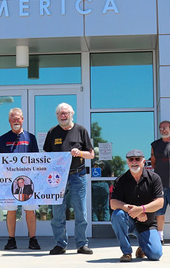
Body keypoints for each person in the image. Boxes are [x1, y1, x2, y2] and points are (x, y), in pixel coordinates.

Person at [43, 102, 95, 255]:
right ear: (57, 116)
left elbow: (91, 154)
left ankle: (81, 244)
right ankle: (60, 244)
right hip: (57, 178)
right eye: (60, 113)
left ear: (72, 114)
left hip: (77, 175)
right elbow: (46, 156)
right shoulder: (52, 132)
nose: (63, 116)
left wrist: (79, 153)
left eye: (66, 113)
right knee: (58, 212)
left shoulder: (81, 130)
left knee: (80, 212)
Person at [0, 108, 41, 250]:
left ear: (22, 120)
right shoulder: (3, 139)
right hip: (9, 182)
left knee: (30, 210)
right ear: (9, 121)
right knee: (11, 210)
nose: (16, 121)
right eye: (13, 119)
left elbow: (37, 159)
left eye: (18, 118)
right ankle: (11, 239)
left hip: (28, 181)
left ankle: (32, 239)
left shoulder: (30, 138)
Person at [110, 149, 164, 262]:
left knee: (156, 255)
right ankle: (126, 252)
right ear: (127, 162)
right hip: (129, 222)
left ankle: (143, 247)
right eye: (131, 159)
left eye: (137, 159)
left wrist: (141, 210)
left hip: (147, 224)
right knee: (117, 214)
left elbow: (160, 202)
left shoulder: (154, 178)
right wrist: (131, 211)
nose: (134, 162)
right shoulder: (121, 180)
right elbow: (113, 203)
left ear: (143, 161)